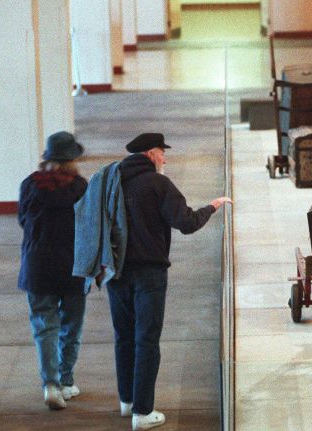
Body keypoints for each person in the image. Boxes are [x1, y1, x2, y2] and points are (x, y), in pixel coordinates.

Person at [107, 133, 231, 431]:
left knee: (124, 337)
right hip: (149, 273)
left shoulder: (111, 181)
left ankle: (127, 401)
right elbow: (186, 223)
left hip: (116, 272)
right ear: (151, 153)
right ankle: (143, 412)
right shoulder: (158, 184)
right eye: (163, 153)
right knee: (146, 339)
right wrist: (212, 206)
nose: (165, 159)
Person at [18, 131, 88, 410]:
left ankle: (50, 384)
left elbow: (23, 219)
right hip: (73, 266)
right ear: (72, 159)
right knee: (71, 326)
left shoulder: (29, 185)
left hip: (38, 266)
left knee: (44, 326)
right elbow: (89, 226)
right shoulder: (80, 187)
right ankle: (66, 380)